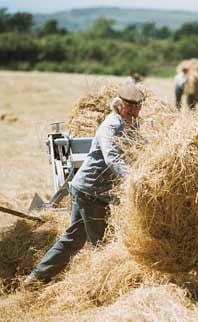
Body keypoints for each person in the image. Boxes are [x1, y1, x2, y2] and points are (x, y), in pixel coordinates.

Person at [23, 83, 144, 286]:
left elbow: (139, 148)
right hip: (91, 190)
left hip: (96, 190)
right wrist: (132, 178)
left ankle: (37, 277)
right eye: (129, 106)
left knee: (74, 238)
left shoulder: (134, 125)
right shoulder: (111, 126)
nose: (133, 111)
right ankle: (102, 286)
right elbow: (112, 158)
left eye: (137, 107)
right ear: (119, 105)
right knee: (103, 242)